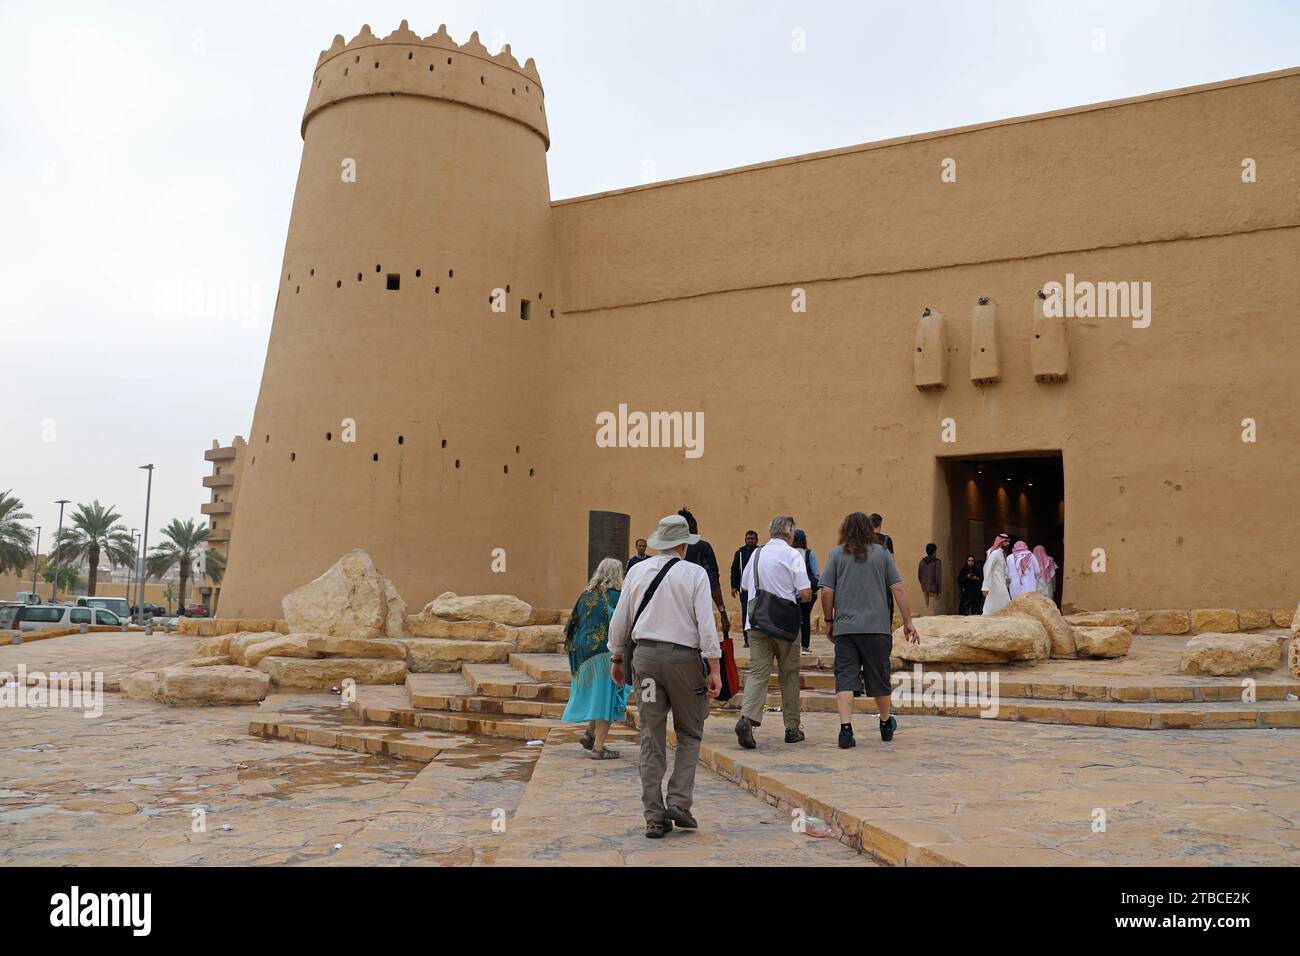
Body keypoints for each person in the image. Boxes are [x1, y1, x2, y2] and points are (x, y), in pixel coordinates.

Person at [608, 514, 721, 839]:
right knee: (689, 733)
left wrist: (617, 657)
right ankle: (679, 801)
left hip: (644, 661)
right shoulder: (695, 574)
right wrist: (714, 668)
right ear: (684, 544)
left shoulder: (637, 570)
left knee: (651, 735)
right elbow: (706, 625)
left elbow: (621, 620)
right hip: (684, 662)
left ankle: (654, 817)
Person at [820, 511, 919, 748]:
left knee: (845, 678)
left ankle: (845, 730)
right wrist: (908, 621)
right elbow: (898, 589)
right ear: (869, 529)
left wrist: (829, 620)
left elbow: (825, 591)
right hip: (877, 628)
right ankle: (885, 723)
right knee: (879, 677)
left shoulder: (836, 554)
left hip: (845, 629)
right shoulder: (882, 553)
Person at [735, 515, 811, 749]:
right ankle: (791, 728)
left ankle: (747, 718)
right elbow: (806, 592)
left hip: (757, 622)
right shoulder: (793, 555)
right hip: (785, 625)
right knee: (789, 675)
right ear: (790, 534)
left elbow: (745, 585)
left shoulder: (756, 554)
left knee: (758, 673)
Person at [561, 557, 629, 760]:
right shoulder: (618, 596)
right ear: (619, 574)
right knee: (606, 700)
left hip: (582, 654)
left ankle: (590, 735)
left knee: (597, 696)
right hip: (606, 654)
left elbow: (571, 626)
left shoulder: (586, 595)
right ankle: (599, 748)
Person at [677, 507, 731, 640]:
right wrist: (722, 613)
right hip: (697, 610)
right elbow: (713, 582)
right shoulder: (703, 547)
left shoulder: (668, 551)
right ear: (695, 528)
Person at [729, 530, 759, 647]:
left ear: (757, 540)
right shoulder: (740, 553)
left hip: (758, 589)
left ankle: (757, 638)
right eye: (748, 538)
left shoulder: (759, 552)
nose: (750, 540)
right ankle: (747, 639)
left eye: (752, 538)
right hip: (745, 589)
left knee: (758, 613)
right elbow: (735, 569)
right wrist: (734, 586)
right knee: (746, 613)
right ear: (745, 540)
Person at [792, 529, 820, 653]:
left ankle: (794, 645)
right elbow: (816, 575)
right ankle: (804, 646)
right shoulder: (809, 554)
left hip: (791, 592)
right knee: (805, 619)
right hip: (807, 592)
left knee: (794, 619)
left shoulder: (788, 553)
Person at [980, 533, 1012, 614]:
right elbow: (987, 569)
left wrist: (1005, 578)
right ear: (1001, 542)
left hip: (1001, 583)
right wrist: (985, 587)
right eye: (1006, 541)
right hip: (994, 584)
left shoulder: (1001, 554)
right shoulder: (995, 554)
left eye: (1008, 542)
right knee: (1001, 605)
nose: (1008, 544)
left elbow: (1000, 570)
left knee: (1001, 606)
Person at [917, 543, 942, 614]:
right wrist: (939, 590)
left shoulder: (922, 562)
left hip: (924, 587)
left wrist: (923, 584)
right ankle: (930, 624)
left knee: (928, 607)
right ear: (934, 551)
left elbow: (919, 575)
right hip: (933, 588)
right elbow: (938, 577)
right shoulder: (937, 562)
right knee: (932, 609)